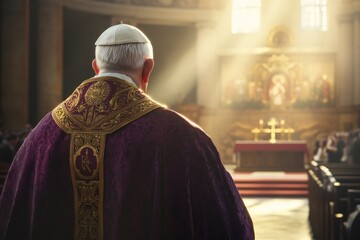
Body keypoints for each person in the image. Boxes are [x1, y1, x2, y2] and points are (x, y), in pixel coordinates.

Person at [0, 24, 254, 240]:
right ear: (148, 69)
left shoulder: (43, 134)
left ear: (96, 67)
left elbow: (13, 217)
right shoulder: (182, 137)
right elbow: (227, 224)